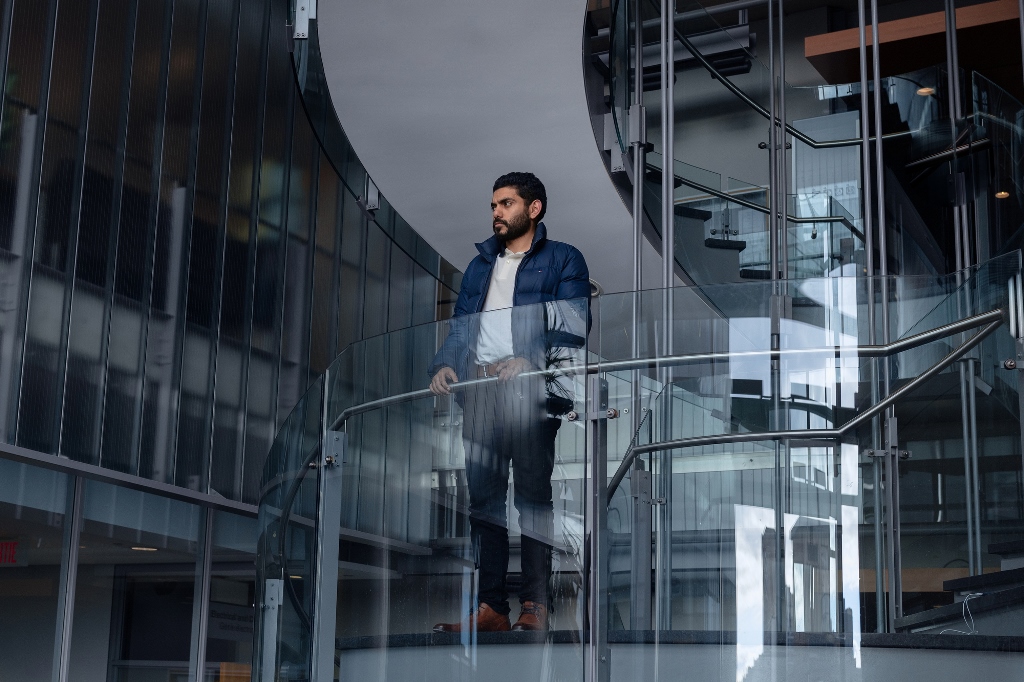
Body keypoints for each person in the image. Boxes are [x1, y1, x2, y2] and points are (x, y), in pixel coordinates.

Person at [428, 172, 590, 633]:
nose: (496, 212)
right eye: (493, 205)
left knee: (534, 499)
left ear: (533, 209)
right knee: (483, 503)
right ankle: (492, 607)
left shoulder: (563, 259)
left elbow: (573, 325)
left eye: (505, 204)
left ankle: (535, 606)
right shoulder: (481, 265)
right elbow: (461, 326)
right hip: (479, 393)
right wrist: (444, 364)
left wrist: (529, 360)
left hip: (530, 392)